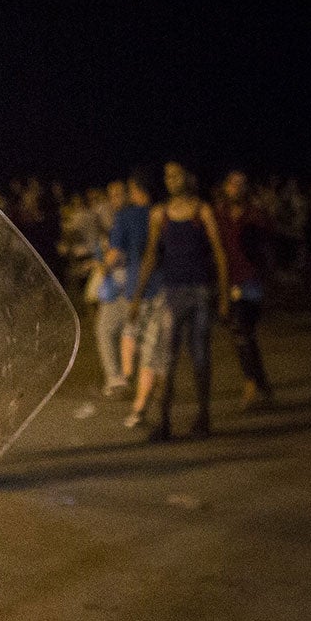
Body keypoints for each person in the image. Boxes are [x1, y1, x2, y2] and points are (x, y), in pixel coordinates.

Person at [130, 162, 228, 439]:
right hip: (171, 292)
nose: (171, 180)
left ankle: (203, 417)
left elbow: (219, 252)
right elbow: (151, 255)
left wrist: (223, 297)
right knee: (167, 359)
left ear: (188, 176)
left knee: (200, 357)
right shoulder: (159, 214)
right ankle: (164, 422)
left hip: (199, 291)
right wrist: (137, 298)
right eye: (167, 176)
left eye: (176, 174)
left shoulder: (202, 211)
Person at [213, 169, 275, 408]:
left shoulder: (255, 213)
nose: (236, 188)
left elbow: (270, 239)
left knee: (243, 331)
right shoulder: (219, 214)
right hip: (229, 280)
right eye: (232, 183)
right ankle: (261, 384)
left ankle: (253, 383)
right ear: (226, 186)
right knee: (242, 333)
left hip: (252, 279)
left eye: (241, 183)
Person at [94, 175, 149, 398]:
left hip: (125, 288)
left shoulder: (124, 218)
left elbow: (115, 255)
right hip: (141, 285)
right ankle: (143, 381)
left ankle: (117, 380)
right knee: (136, 334)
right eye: (111, 195)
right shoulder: (144, 215)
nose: (114, 199)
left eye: (119, 194)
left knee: (106, 330)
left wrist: (102, 266)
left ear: (129, 193)